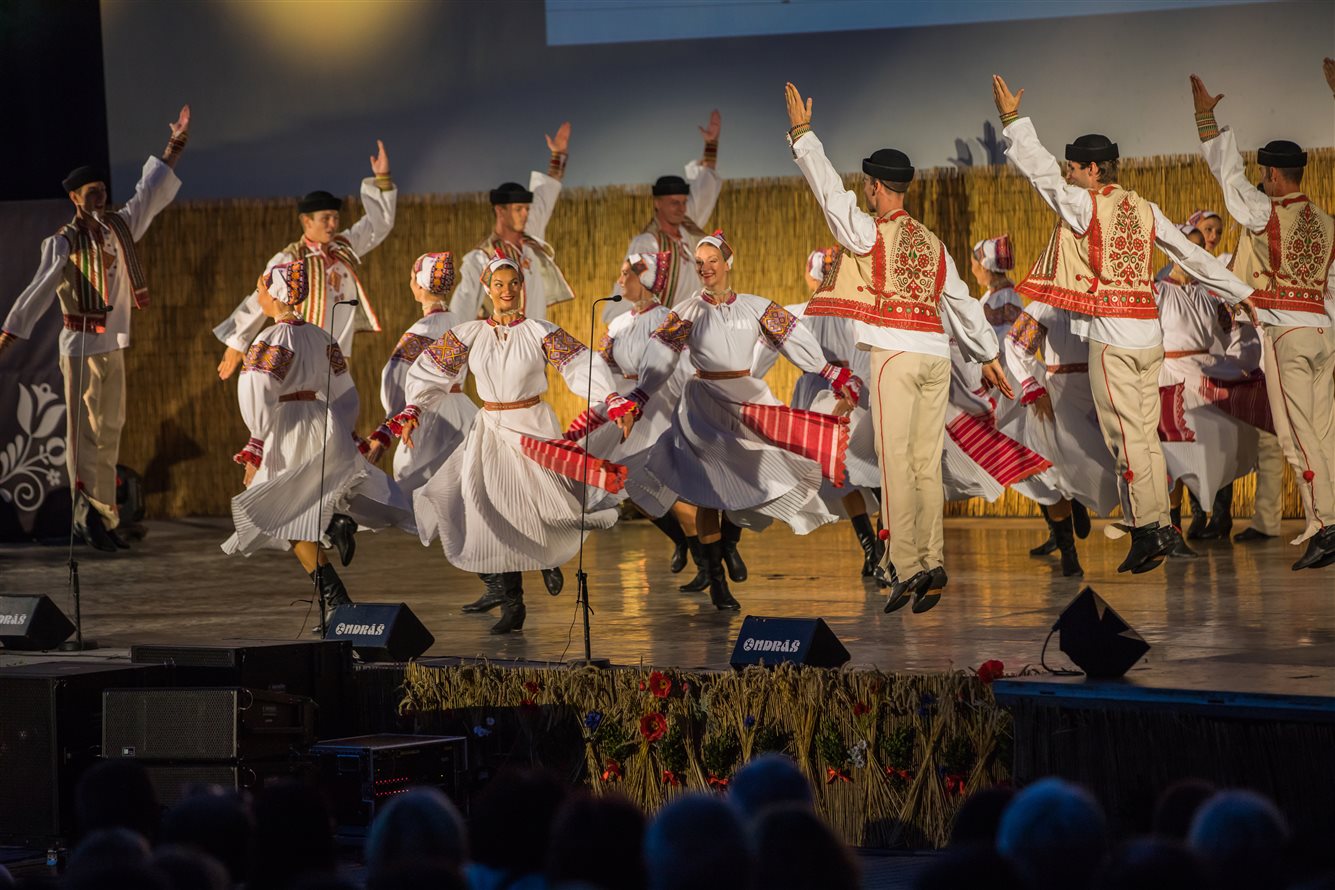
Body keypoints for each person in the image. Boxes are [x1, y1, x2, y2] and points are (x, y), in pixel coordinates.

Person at [992, 73, 1256, 574]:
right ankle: (1157, 524)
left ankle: (1143, 530)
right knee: (1144, 435)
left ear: (1092, 170)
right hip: (1148, 337)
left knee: (1125, 438)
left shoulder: (1086, 206)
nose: (1068, 175)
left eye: (1074, 168)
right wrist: (1242, 293)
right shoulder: (1144, 207)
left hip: (1113, 340)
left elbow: (1042, 178)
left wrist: (1014, 122)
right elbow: (1191, 255)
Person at [785, 81, 1011, 614]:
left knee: (894, 461)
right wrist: (988, 356)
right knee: (924, 465)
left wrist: (803, 136)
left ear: (875, 187)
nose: (862, 191)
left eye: (866, 184)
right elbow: (961, 303)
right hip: (934, 355)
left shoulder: (871, 234)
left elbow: (829, 197)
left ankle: (908, 566)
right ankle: (931, 559)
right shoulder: (931, 242)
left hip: (896, 356)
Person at [391, 256, 636, 634]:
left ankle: (547, 557)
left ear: (521, 287)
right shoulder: (468, 334)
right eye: (499, 285)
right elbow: (429, 372)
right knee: (489, 509)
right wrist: (413, 410)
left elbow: (579, 365)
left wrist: (612, 399)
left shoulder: (540, 330)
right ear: (488, 289)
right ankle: (513, 603)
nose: (507, 291)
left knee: (541, 500)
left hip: (532, 426)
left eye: (513, 284)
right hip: (490, 426)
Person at [625, 232, 861, 611]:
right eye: (699, 263)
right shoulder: (687, 311)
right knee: (709, 491)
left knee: (755, 472)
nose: (706, 268)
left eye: (712, 260)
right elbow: (661, 355)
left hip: (747, 398)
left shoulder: (756, 307)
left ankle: (730, 543)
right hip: (705, 404)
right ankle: (717, 580)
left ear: (727, 263)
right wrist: (639, 395)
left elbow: (791, 338)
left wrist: (831, 373)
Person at [0, 106, 189, 551]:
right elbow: (38, 290)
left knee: (110, 429)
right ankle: (85, 516)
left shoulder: (119, 229)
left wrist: (174, 145)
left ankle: (104, 517)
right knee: (83, 434)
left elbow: (149, 192)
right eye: (91, 192)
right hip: (80, 345)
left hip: (111, 345)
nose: (99, 196)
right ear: (74, 198)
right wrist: (9, 333)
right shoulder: (63, 241)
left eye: (102, 189)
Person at [221, 260, 414, 633]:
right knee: (293, 513)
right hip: (321, 421)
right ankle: (335, 585)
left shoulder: (271, 339)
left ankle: (335, 589)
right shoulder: (321, 336)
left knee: (281, 514)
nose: (257, 295)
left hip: (286, 426)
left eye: (261, 288)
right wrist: (347, 430)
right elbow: (344, 389)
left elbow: (258, 391)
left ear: (275, 294)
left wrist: (256, 445)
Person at [1191, 73, 1335, 569]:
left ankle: (1326, 525)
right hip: (1323, 333)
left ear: (1273, 176)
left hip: (1288, 333)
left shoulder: (1266, 213)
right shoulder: (1327, 222)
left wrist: (1207, 121)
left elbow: (1229, 179)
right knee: (1325, 430)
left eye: (1265, 176)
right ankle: (1327, 519)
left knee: (1297, 435)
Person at [214, 142, 397, 377]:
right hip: (304, 354)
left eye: (335, 218)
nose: (332, 224)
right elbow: (260, 297)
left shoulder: (343, 248)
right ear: (306, 221)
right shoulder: (291, 259)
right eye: (325, 218)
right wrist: (237, 342)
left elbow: (376, 227)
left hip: (339, 357)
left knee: (338, 411)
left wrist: (382, 178)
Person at [574, 252, 693, 576]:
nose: (621, 279)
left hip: (660, 403)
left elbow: (680, 367)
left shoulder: (668, 317)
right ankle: (683, 541)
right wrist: (604, 404)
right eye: (622, 273)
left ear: (647, 279)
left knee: (666, 482)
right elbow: (604, 366)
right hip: (629, 406)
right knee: (634, 486)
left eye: (628, 274)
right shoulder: (618, 323)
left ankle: (710, 565)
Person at [1155, 222, 1262, 556]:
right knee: (1174, 457)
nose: (1195, 253)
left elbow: (1233, 333)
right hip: (1172, 380)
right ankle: (1173, 531)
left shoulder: (1208, 294)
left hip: (1205, 378)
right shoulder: (1158, 291)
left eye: (1200, 247)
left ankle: (1214, 515)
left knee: (1219, 444)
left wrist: (1236, 364)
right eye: (1190, 245)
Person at [1006, 302, 1122, 575]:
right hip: (1057, 394)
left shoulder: (1098, 298)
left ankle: (1078, 499)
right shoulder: (1044, 305)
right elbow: (1015, 345)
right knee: (1051, 473)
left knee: (1094, 461)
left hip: (1097, 391)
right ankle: (1068, 551)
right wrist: (1032, 386)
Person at [365, 252, 477, 495]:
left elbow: (397, 379)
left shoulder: (421, 331)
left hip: (429, 415)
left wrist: (386, 428)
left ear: (418, 284)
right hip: (465, 411)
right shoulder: (460, 322)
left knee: (416, 486)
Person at [449, 123, 576, 321]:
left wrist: (558, 155)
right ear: (501, 211)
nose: (525, 214)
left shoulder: (530, 240)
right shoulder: (481, 258)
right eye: (518, 209)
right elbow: (461, 308)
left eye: (526, 209)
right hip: (499, 344)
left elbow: (545, 195)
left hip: (532, 338)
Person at [617, 111, 723, 315]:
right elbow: (631, 288)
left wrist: (711, 145)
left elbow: (705, 190)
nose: (681, 208)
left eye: (683, 202)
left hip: (692, 321)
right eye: (674, 203)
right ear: (657, 203)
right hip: (662, 327)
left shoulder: (687, 229)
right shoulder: (648, 243)